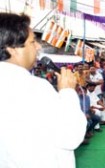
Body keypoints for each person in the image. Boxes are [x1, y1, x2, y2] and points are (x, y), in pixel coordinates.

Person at [0, 13, 87, 168]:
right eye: (33, 42)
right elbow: (71, 135)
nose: (39, 47)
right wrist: (67, 92)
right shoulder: (33, 88)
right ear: (12, 49)